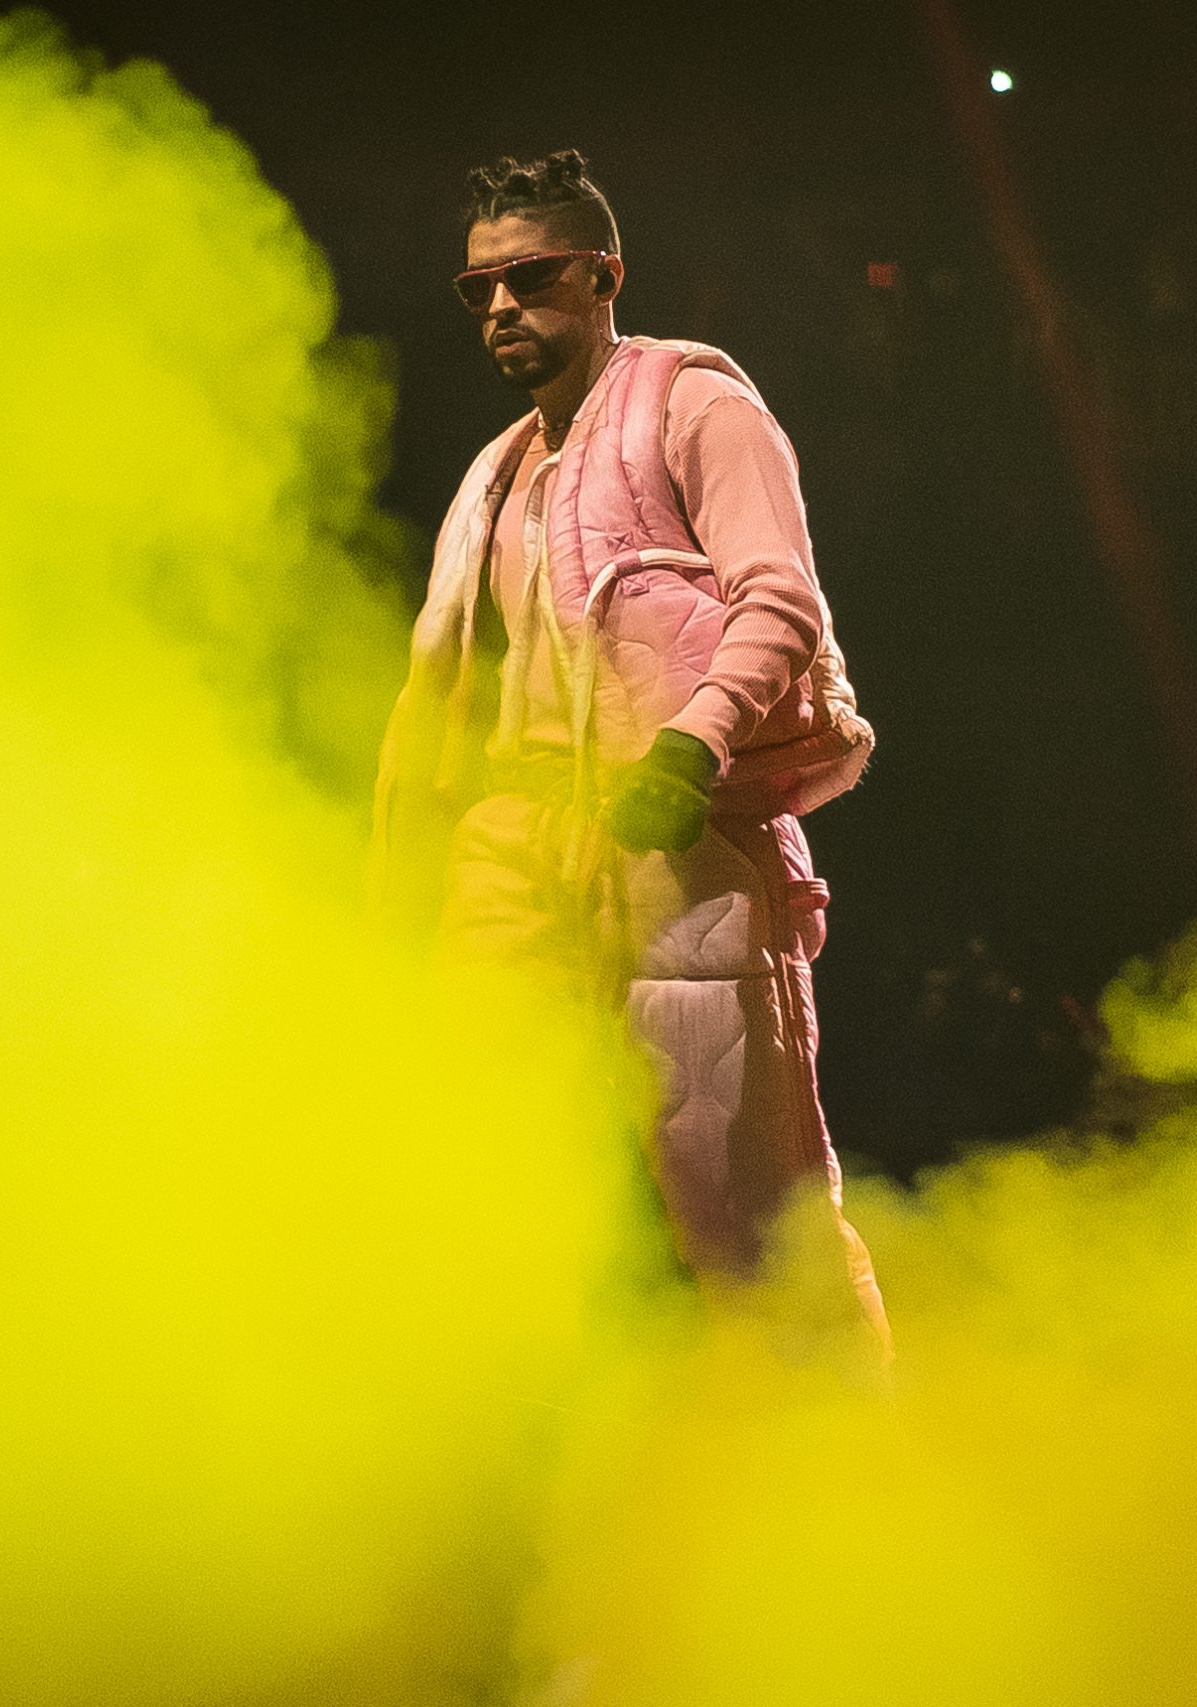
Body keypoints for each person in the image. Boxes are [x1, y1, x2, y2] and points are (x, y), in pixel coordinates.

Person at [371, 150, 889, 1353]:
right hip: (517, 845)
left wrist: (688, 751)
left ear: (604, 277)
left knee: (746, 1205)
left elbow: (780, 602)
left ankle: (837, 1445)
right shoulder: (494, 474)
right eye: (478, 289)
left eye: (531, 276)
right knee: (484, 1180)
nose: (500, 305)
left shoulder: (695, 406)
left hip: (675, 836)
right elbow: (440, 695)